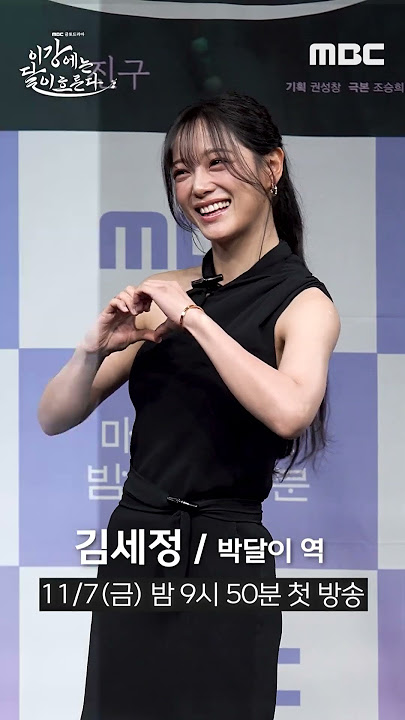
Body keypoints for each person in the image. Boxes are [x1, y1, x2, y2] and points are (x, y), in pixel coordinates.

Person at [38, 91, 340, 720]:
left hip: (228, 557)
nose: (198, 186)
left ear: (273, 167)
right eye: (181, 171)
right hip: (138, 546)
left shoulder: (305, 303)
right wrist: (92, 349)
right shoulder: (167, 292)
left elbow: (290, 412)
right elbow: (54, 416)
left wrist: (197, 319)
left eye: (217, 163)